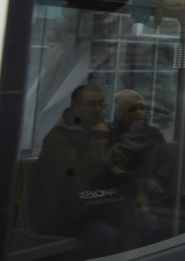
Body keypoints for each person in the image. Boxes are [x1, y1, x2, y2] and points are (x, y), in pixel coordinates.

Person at [37, 85, 149, 256]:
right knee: (106, 235)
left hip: (98, 206)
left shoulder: (102, 131)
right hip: (65, 212)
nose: (98, 109)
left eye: (101, 103)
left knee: (147, 221)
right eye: (91, 104)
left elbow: (121, 169)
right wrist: (97, 141)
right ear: (75, 107)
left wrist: (137, 197)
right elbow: (80, 177)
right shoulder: (56, 138)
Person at [109, 90, 174, 207]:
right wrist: (145, 184)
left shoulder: (154, 133)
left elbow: (167, 161)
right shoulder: (111, 136)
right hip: (127, 194)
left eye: (142, 108)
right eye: (132, 110)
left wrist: (158, 180)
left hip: (156, 186)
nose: (139, 112)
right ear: (121, 114)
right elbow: (114, 171)